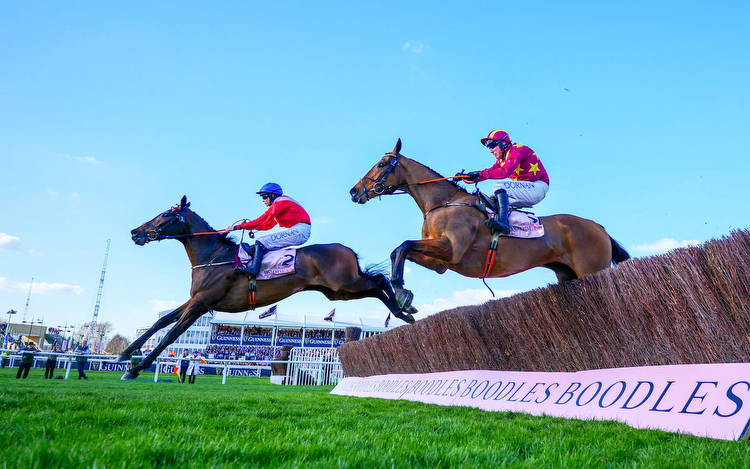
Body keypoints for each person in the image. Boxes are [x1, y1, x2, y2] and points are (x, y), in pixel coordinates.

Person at [458, 129, 549, 234]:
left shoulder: (516, 150)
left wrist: (480, 174)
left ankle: (503, 224)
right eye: (489, 147)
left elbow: (504, 172)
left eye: (492, 146)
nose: (491, 151)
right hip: (528, 189)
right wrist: (468, 176)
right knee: (489, 200)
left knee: (499, 186)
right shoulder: (502, 159)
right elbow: (490, 171)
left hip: (537, 187)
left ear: (503, 143)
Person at [225, 182, 311, 276]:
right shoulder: (280, 204)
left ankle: (254, 270)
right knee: (260, 244)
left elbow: (261, 219)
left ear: (273, 195)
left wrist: (237, 227)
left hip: (300, 231)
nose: (263, 200)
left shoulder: (280, 202)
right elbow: (267, 225)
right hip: (299, 230)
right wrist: (250, 228)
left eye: (264, 197)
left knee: (260, 242)